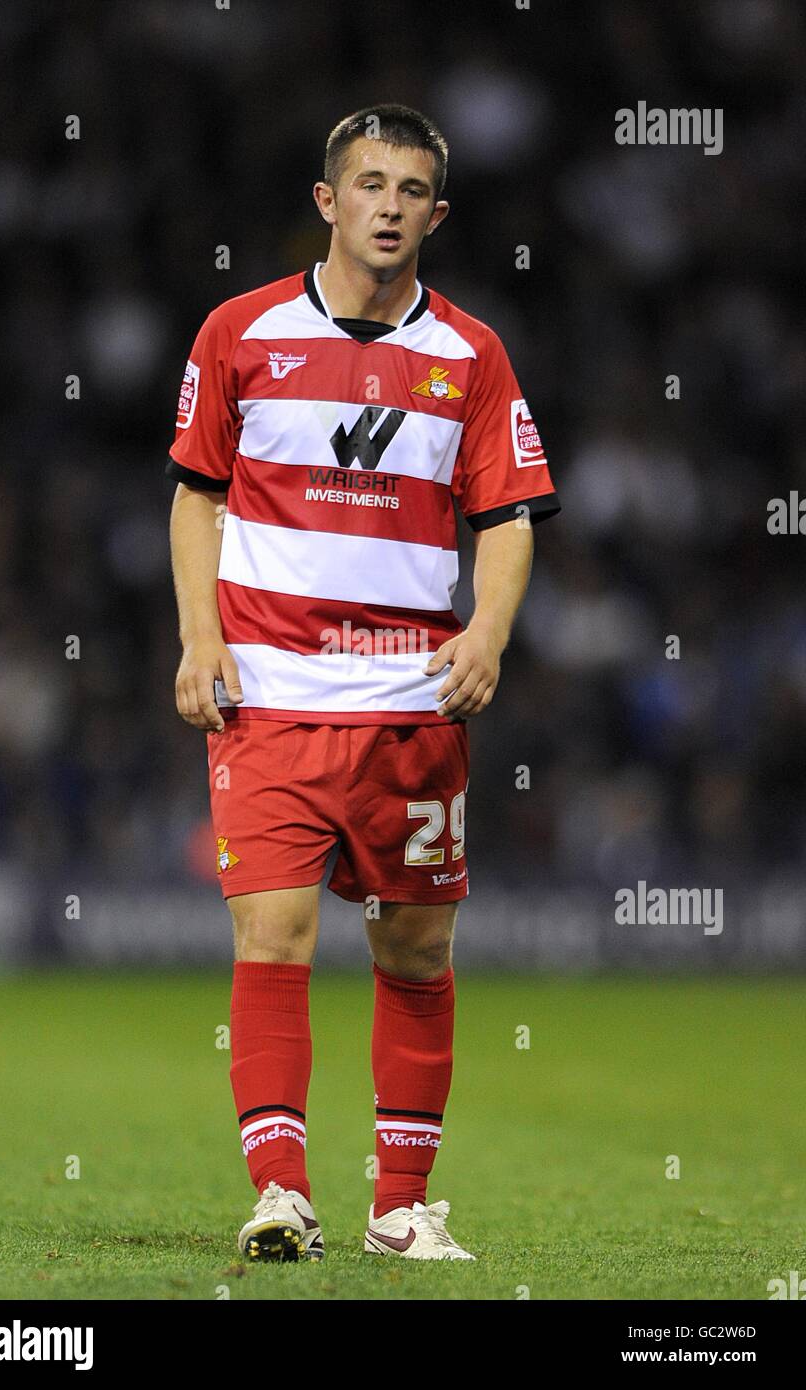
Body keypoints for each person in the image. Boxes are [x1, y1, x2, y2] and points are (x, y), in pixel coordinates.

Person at [166, 104, 560, 1262]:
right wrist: (199, 637)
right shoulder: (239, 333)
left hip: (412, 702)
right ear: (328, 200)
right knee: (274, 936)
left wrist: (487, 629)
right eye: (369, 184)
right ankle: (282, 1191)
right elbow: (198, 492)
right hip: (271, 690)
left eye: (412, 190)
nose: (390, 206)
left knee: (415, 952)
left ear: (438, 214)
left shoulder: (472, 356)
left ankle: (399, 1206)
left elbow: (508, 514)